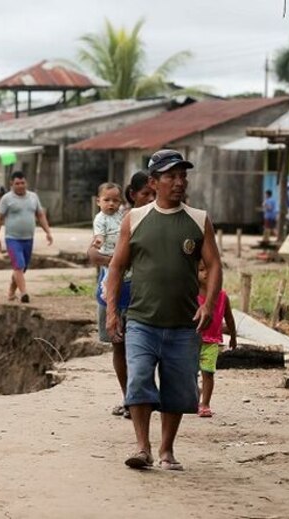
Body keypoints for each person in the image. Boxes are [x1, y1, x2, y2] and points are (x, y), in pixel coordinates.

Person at [105, 149, 222, 471]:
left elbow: (214, 266)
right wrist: (112, 311)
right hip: (142, 320)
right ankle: (142, 448)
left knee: (177, 388)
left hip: (184, 324)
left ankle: (166, 450)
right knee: (139, 379)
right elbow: (116, 267)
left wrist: (209, 305)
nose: (179, 182)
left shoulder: (199, 220)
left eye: (183, 176)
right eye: (171, 176)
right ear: (154, 182)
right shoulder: (135, 219)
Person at [89, 172, 155, 419]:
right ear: (133, 194)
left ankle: (139, 399)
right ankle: (130, 398)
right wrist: (115, 261)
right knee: (119, 346)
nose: (150, 198)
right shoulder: (120, 219)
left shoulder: (154, 219)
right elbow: (95, 253)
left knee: (140, 349)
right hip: (112, 290)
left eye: (153, 194)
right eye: (145, 193)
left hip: (141, 293)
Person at [0, 171, 53, 303]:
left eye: (22, 183)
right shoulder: (7, 199)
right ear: (11, 184)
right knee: (18, 265)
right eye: (17, 183)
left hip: (28, 239)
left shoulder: (33, 197)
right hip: (12, 239)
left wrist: (48, 232)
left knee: (22, 267)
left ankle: (11, 291)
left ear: (26, 183)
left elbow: (40, 215)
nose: (20, 186)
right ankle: (24, 293)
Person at [196, 260, 237, 418]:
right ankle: (195, 393)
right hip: (193, 343)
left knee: (208, 373)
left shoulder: (222, 297)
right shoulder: (193, 295)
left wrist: (233, 336)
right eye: (201, 270)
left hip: (211, 342)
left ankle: (205, 403)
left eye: (209, 270)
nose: (206, 273)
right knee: (190, 373)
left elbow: (230, 319)